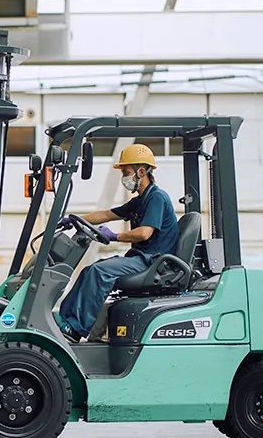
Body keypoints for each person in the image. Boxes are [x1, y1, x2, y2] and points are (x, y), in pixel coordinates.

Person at [54, 144, 179, 342]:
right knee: (90, 270)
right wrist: (74, 219)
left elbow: (145, 233)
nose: (124, 177)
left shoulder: (157, 198)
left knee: (99, 272)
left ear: (141, 171)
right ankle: (63, 321)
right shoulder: (140, 200)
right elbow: (106, 214)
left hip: (152, 262)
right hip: (141, 259)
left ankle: (76, 329)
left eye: (126, 172)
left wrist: (114, 236)